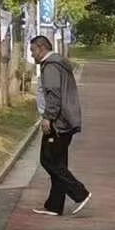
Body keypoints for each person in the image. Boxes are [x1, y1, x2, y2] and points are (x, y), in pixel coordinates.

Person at [30, 35, 91, 217]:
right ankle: (54, 206)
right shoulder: (57, 64)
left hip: (59, 123)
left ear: (41, 48)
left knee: (48, 160)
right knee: (58, 162)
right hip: (65, 120)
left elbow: (54, 94)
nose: (31, 55)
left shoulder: (51, 66)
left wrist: (48, 117)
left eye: (33, 50)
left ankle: (80, 193)